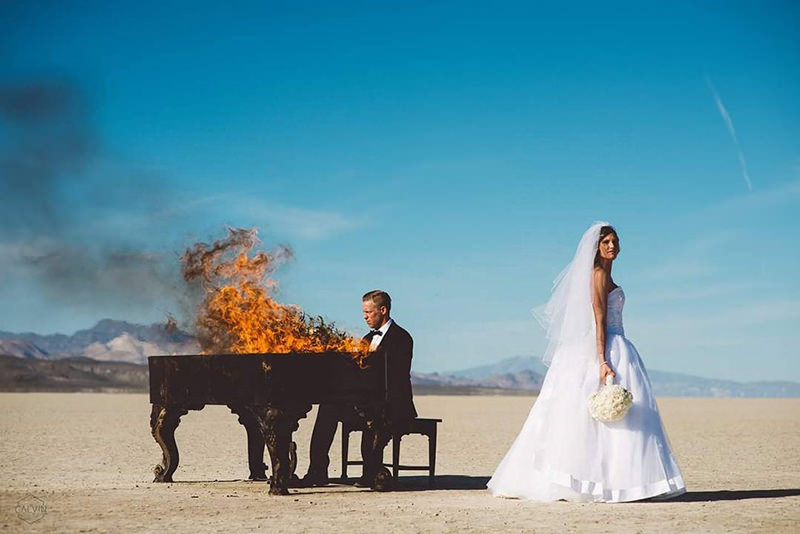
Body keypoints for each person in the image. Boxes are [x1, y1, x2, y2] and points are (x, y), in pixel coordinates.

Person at [487, 222, 686, 502]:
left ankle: (611, 483)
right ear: (596, 248)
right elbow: (599, 319)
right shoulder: (598, 275)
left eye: (615, 241)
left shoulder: (603, 274)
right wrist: (603, 360)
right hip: (607, 347)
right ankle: (610, 484)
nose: (612, 246)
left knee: (609, 420)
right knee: (600, 418)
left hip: (615, 344)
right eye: (606, 242)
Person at [301, 290, 417, 488]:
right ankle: (317, 471)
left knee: (373, 416)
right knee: (328, 408)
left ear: (383, 310)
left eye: (369, 312)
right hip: (366, 402)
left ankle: (371, 473)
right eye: (363, 313)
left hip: (392, 404)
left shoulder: (402, 338)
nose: (365, 317)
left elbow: (395, 377)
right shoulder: (367, 339)